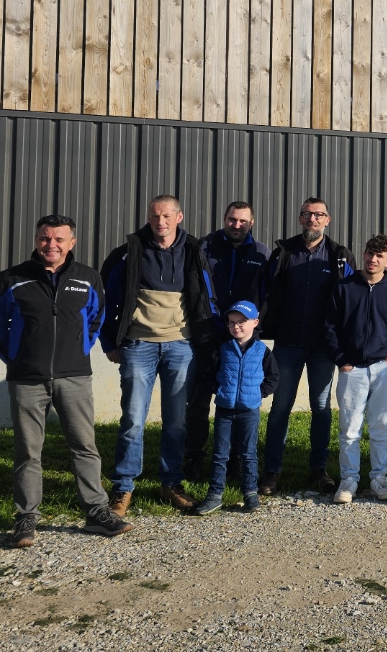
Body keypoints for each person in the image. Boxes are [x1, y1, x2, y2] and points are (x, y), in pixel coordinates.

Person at [0, 215, 132, 546]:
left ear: (71, 243)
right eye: (45, 238)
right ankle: (26, 519)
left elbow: (97, 318)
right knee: (28, 450)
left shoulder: (88, 278)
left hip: (75, 376)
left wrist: (79, 349)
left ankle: (96, 513)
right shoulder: (12, 278)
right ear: (37, 239)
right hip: (27, 380)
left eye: (59, 239)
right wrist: (17, 358)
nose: (51, 245)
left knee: (84, 446)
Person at [101, 194, 219, 516]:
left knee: (176, 423)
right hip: (138, 346)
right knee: (132, 421)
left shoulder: (194, 252)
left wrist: (208, 342)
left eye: (166, 216)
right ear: (148, 218)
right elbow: (106, 299)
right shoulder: (129, 252)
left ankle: (171, 483)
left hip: (181, 347)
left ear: (179, 217)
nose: (160, 223)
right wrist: (109, 342)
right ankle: (123, 488)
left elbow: (207, 297)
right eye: (155, 217)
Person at [258, 197, 356, 495]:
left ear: (328, 220)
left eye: (319, 215)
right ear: (300, 219)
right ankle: (272, 472)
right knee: (280, 408)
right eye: (307, 214)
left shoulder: (340, 256)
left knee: (322, 408)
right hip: (288, 342)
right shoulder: (283, 253)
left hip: (323, 347)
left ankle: (318, 469)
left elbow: (351, 299)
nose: (313, 219)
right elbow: (265, 291)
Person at [184, 201, 271, 480]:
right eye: (232, 220)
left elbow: (266, 294)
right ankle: (193, 457)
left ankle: (235, 460)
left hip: (242, 336)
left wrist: (254, 328)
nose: (237, 225)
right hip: (207, 333)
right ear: (224, 219)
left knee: (237, 400)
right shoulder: (203, 248)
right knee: (198, 399)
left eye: (243, 221)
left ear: (251, 223)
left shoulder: (261, 253)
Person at [325, 234, 387, 504]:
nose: (372, 260)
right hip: (352, 369)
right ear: (363, 255)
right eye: (369, 254)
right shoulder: (345, 287)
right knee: (349, 427)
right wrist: (341, 359)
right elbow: (330, 326)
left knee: (380, 426)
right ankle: (348, 479)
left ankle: (378, 478)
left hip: (382, 368)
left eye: (379, 256)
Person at [191, 300, 277, 516]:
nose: (236, 327)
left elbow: (274, 377)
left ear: (255, 323)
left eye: (242, 322)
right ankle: (215, 494)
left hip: (249, 411)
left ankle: (250, 492)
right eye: (231, 323)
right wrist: (218, 390)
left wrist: (259, 393)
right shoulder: (223, 349)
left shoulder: (262, 351)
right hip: (224, 410)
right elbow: (208, 374)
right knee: (220, 453)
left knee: (248, 453)